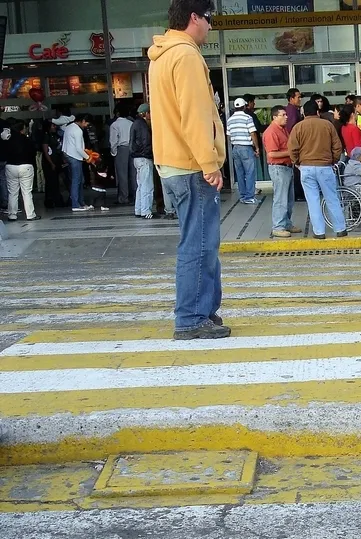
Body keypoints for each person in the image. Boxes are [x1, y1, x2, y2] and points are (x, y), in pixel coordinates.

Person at [148, 0, 230, 340]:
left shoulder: (162, 55)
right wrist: (209, 163)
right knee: (199, 244)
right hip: (192, 165)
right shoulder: (186, 55)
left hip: (174, 163)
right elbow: (195, 116)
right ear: (194, 17)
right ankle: (191, 318)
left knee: (199, 242)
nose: (211, 26)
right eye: (209, 19)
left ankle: (203, 312)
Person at [289, 100, 347, 240]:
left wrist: (297, 163)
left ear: (303, 112)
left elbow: (292, 148)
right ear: (317, 111)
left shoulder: (298, 127)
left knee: (312, 200)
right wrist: (333, 160)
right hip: (325, 167)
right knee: (332, 198)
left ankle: (319, 232)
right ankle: (340, 229)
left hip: (306, 168)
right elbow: (337, 146)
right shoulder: (327, 125)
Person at [262, 105, 302, 239]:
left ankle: (286, 223)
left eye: (286, 115)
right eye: (283, 115)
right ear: (274, 117)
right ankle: (278, 227)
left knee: (289, 199)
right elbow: (272, 154)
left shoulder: (283, 129)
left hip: (287, 166)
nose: (286, 117)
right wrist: (290, 153)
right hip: (279, 168)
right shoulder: (271, 132)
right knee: (281, 199)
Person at [226, 97, 260, 204]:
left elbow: (229, 135)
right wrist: (257, 147)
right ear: (244, 106)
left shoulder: (230, 119)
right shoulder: (247, 117)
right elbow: (253, 133)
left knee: (240, 173)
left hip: (235, 148)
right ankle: (250, 197)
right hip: (246, 147)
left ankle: (243, 196)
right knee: (250, 172)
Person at [4, 120, 39, 221]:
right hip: (26, 166)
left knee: (12, 192)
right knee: (27, 192)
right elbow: (33, 152)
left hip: (11, 166)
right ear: (21, 129)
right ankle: (30, 214)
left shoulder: (8, 140)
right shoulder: (26, 140)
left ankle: (12, 214)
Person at [62, 114, 94, 212]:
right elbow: (79, 148)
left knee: (79, 180)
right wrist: (88, 157)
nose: (87, 126)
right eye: (87, 123)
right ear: (83, 121)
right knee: (77, 181)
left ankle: (81, 203)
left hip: (68, 154)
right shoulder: (78, 131)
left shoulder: (69, 127)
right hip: (75, 156)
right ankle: (76, 204)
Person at [130, 103, 155, 219]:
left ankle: (138, 209)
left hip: (136, 158)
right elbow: (146, 142)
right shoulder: (143, 125)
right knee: (147, 185)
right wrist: (150, 154)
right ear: (146, 113)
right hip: (144, 158)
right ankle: (146, 211)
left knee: (140, 185)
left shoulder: (135, 123)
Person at [109, 105, 135, 205]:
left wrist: (114, 152)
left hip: (121, 149)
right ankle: (135, 196)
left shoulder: (115, 125)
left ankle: (124, 198)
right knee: (133, 174)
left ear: (117, 113)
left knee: (122, 175)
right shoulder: (131, 123)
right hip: (132, 148)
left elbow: (113, 141)